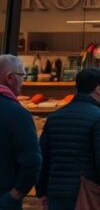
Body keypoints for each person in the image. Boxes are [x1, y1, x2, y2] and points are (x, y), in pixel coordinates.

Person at [37, 67, 100, 210]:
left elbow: (43, 156)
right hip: (85, 190)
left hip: (55, 190)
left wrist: (41, 190)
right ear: (98, 88)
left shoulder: (54, 117)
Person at [0, 54, 41, 210]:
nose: (24, 82)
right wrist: (15, 195)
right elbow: (32, 162)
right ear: (10, 78)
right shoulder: (17, 114)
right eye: (22, 75)